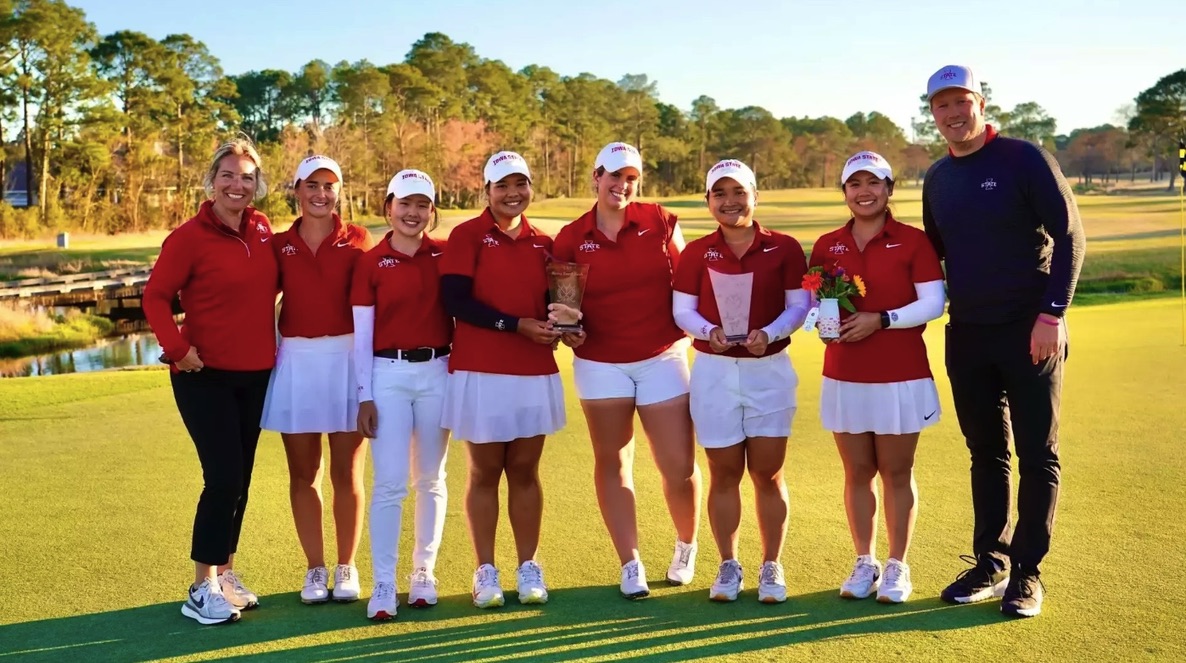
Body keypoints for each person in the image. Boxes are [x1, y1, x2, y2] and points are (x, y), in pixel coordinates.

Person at [922, 65, 1085, 618]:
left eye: (962, 101)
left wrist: (1052, 314)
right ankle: (989, 562)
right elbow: (936, 255)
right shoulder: (938, 178)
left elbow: (1069, 237)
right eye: (942, 105)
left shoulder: (1023, 158)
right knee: (985, 453)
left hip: (1029, 329)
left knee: (1038, 454)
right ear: (933, 113)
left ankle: (1027, 572)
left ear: (981, 103)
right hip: (968, 333)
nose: (953, 113)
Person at [551, 142, 702, 600]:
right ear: (596, 177)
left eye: (631, 177)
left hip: (661, 355)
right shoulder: (571, 236)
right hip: (600, 363)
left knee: (678, 465)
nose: (622, 185)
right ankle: (630, 561)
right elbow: (564, 307)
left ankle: (686, 544)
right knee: (613, 462)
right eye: (614, 176)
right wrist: (568, 332)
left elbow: (689, 282)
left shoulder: (659, 220)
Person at [142, 137, 278, 625]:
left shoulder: (262, 230)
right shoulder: (187, 237)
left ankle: (225, 574)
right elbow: (155, 297)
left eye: (246, 177)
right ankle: (201, 587)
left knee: (238, 480)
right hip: (204, 376)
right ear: (212, 182)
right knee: (221, 478)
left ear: (256, 184)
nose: (237, 184)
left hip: (257, 375)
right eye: (228, 175)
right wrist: (178, 350)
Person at [808, 151, 946, 604]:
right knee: (857, 471)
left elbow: (933, 303)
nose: (864, 192)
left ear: (889, 189)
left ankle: (896, 565)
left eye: (873, 183)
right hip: (845, 373)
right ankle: (864, 560)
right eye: (854, 184)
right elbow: (816, 304)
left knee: (896, 471)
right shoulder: (828, 243)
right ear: (844, 192)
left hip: (900, 374)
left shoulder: (913, 240)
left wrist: (881, 319)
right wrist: (821, 324)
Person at [672, 159, 810, 604]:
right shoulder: (696, 252)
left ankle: (771, 564)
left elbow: (798, 306)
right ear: (709, 200)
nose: (730, 202)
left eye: (739, 192)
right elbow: (683, 310)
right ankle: (728, 564)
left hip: (767, 369)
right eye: (720, 194)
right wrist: (706, 331)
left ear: (755, 195)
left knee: (768, 473)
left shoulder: (784, 248)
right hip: (713, 370)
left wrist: (768, 333)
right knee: (724, 472)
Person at [439, 151, 566, 609]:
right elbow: (456, 301)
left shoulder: (544, 243)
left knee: (526, 472)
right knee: (485, 472)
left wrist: (566, 326)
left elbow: (556, 304)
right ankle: (485, 570)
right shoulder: (467, 236)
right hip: (480, 369)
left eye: (521, 184)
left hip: (532, 371)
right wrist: (515, 326)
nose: (513, 194)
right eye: (503, 186)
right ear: (487, 191)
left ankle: (528, 565)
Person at [261, 155, 372, 606]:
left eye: (330, 186)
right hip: (298, 361)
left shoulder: (359, 240)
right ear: (297, 190)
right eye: (312, 185)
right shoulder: (279, 243)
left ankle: (346, 565)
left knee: (347, 472)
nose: (321, 194)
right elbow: (251, 298)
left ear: (339, 191)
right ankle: (315, 568)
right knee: (304, 473)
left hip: (346, 358)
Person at [351, 169, 452, 620]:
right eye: (404, 204)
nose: (413, 213)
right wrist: (363, 395)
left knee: (431, 479)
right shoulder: (370, 262)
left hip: (438, 372)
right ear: (388, 207)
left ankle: (423, 574)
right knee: (390, 483)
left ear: (432, 211)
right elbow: (361, 334)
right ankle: (384, 583)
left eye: (422, 205)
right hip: (386, 374)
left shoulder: (446, 256)